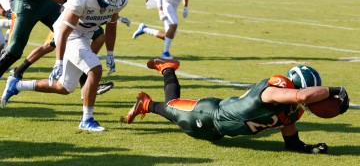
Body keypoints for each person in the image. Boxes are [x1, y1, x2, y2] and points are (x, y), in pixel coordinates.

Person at [125, 58, 349, 153]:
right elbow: (300, 96)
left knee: (174, 113)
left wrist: (308, 149)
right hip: (206, 115)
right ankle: (167, 69)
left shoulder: (293, 111)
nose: (314, 99)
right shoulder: (272, 91)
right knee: (174, 108)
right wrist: (335, 90)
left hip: (219, 132)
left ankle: (145, 104)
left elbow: (292, 142)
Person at [1, 0, 129, 132]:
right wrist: (58, 62)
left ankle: (16, 85)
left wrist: (110, 53)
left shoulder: (117, 2)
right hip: (70, 34)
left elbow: (111, 26)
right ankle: (87, 119)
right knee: (95, 69)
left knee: (65, 87)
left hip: (84, 34)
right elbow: (64, 31)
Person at [9, 0, 127, 96]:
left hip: (84, 22)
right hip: (69, 17)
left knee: (98, 38)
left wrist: (115, 16)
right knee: (50, 45)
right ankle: (19, 69)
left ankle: (86, 80)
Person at [0, 0, 66, 78]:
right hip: (28, 2)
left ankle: (87, 83)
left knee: (70, 33)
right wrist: (67, 1)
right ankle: (15, 75)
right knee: (14, 50)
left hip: (45, 2)